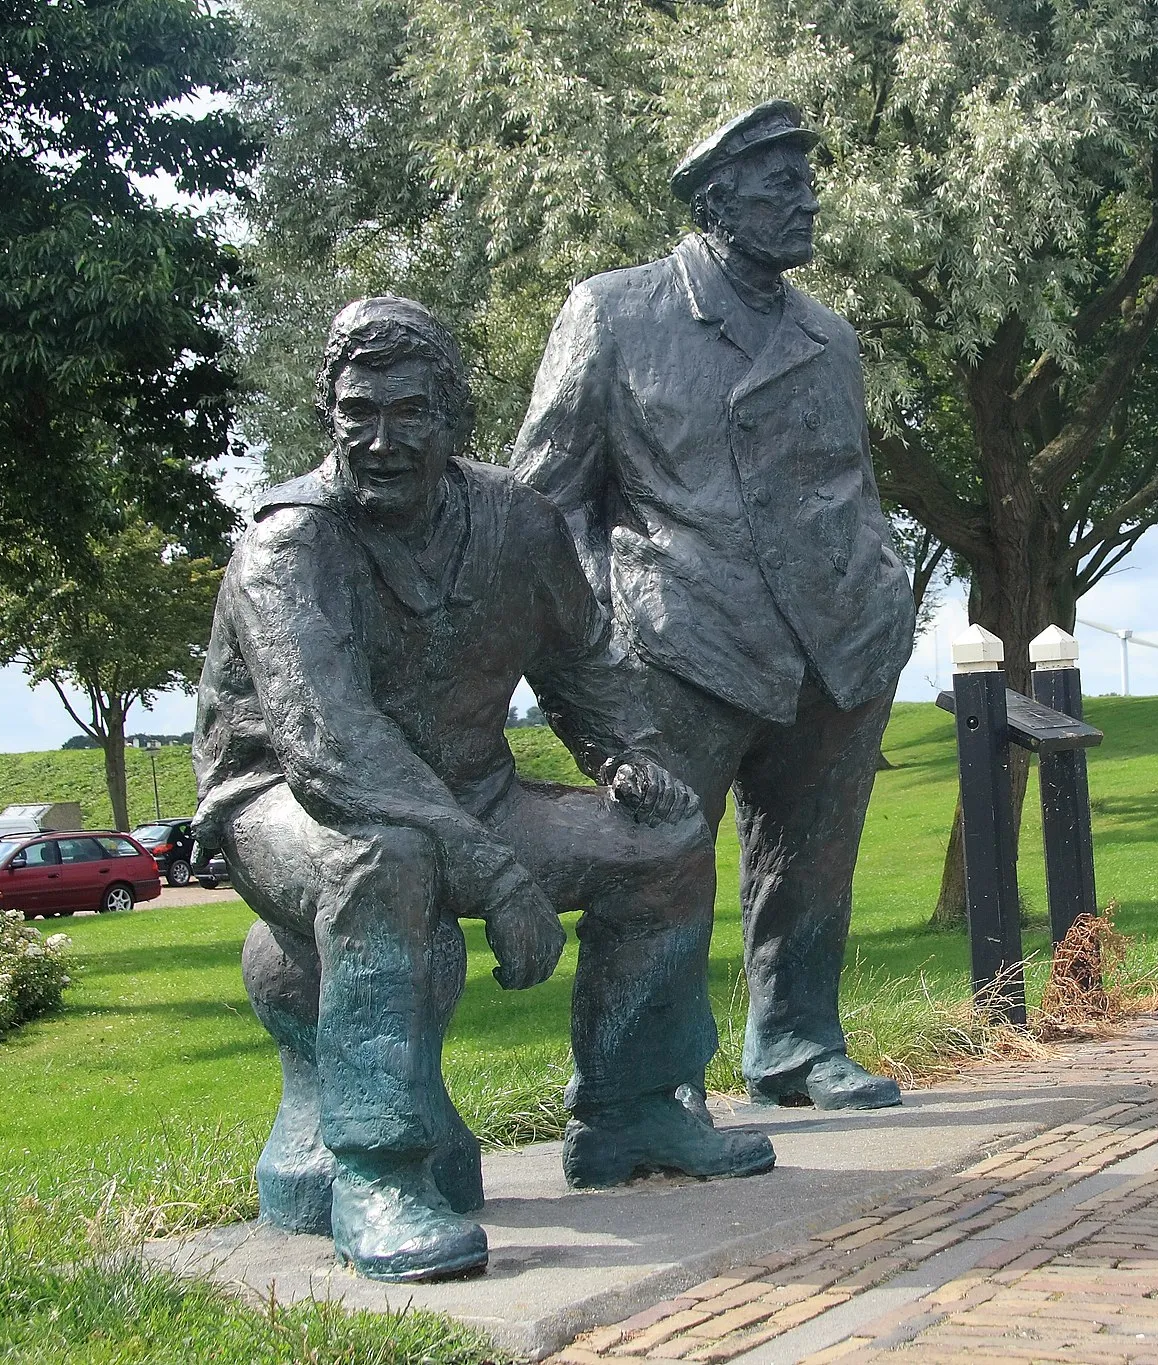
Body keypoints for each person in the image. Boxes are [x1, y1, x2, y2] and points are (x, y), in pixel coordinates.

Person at [193, 296, 774, 1284]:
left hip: (472, 794)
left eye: (409, 413)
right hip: (287, 801)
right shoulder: (288, 545)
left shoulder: (516, 521)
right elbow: (330, 747)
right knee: (383, 858)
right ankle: (378, 1170)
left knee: (665, 845)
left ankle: (632, 1107)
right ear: (328, 414)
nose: (380, 439)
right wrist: (499, 880)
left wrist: (625, 752)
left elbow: (587, 668)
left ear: (456, 418)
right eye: (356, 412)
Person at [512, 102, 916, 1111]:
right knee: (661, 868)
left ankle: (796, 1042)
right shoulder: (617, 312)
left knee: (812, 863)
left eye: (808, 180)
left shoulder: (829, 338)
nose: (807, 200)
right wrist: (595, 644)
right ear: (717, 198)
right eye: (782, 183)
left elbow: (850, 487)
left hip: (836, 646)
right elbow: (541, 506)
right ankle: (646, 1089)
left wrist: (888, 587)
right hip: (681, 641)